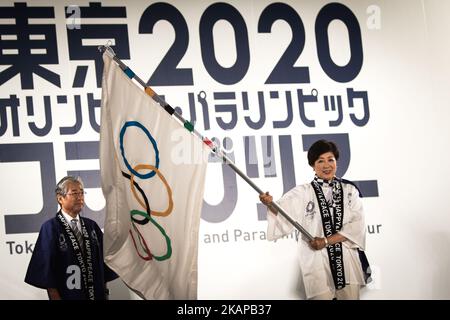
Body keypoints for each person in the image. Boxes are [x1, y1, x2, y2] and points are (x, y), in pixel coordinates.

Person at [259, 139, 369, 300]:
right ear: (313, 165)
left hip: (346, 261)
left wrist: (326, 241)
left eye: (330, 160)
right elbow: (282, 211)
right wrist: (270, 204)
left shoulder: (350, 190)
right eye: (320, 161)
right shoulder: (303, 192)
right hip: (316, 261)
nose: (326, 165)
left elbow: (357, 227)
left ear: (336, 162)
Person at [25, 176, 118, 300]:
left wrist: (104, 292)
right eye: (74, 193)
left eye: (81, 193)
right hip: (68, 295)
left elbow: (104, 264)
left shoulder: (92, 226)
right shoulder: (50, 228)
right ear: (60, 198)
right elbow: (47, 270)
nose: (80, 197)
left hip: (96, 295)